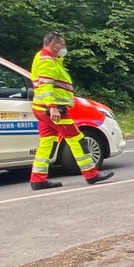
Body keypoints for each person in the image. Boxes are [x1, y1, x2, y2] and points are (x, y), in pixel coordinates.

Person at [29, 31, 115, 190]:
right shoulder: (47, 61)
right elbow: (46, 86)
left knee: (46, 143)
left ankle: (38, 178)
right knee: (77, 139)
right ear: (53, 44)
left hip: (42, 108)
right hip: (54, 110)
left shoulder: (46, 58)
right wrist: (53, 107)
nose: (64, 47)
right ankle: (91, 174)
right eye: (62, 44)